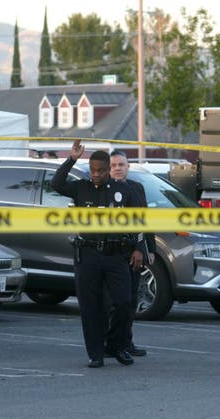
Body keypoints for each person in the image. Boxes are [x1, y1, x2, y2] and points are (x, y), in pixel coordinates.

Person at [52, 140, 145, 368]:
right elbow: (57, 183)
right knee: (91, 307)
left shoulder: (124, 191)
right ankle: (96, 353)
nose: (95, 174)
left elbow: (139, 221)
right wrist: (72, 159)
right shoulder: (80, 188)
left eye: (100, 171)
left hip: (116, 256)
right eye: (92, 170)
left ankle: (117, 346)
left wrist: (138, 248)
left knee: (123, 303)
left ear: (108, 170)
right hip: (89, 255)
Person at [107, 149, 156, 357]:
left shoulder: (137, 188)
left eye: (121, 165)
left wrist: (149, 248)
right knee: (113, 302)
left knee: (131, 300)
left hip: (134, 252)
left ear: (128, 167)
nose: (118, 168)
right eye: (114, 165)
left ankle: (126, 342)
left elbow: (144, 219)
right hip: (111, 255)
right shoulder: (103, 189)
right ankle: (111, 343)